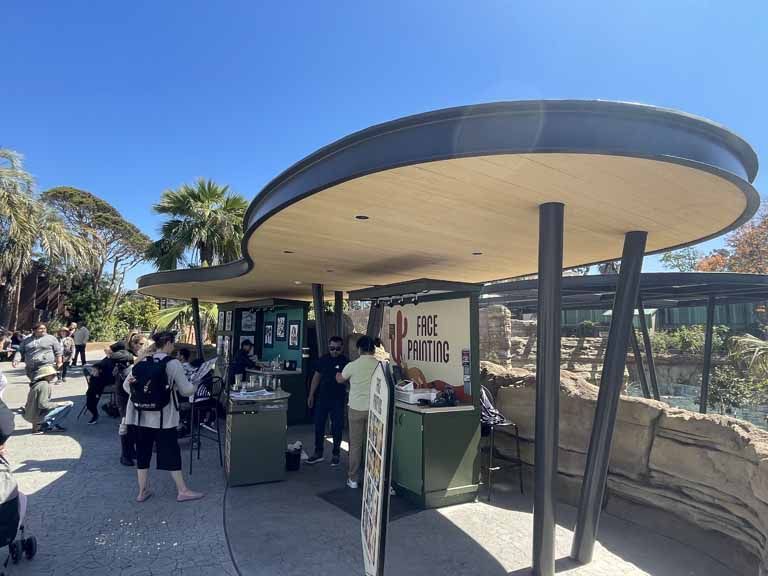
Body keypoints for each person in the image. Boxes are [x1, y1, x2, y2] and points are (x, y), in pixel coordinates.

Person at [123, 331, 203, 503]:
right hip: (163, 417)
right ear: (167, 343)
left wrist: (144, 396)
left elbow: (126, 386)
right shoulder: (173, 364)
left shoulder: (142, 361)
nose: (173, 347)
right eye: (173, 343)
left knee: (143, 452)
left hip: (139, 416)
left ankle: (142, 491)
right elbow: (186, 390)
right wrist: (196, 384)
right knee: (171, 452)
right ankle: (182, 490)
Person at [336, 336, 378, 488]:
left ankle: (353, 479)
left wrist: (337, 375)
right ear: (373, 349)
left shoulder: (352, 365)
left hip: (355, 409)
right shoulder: (380, 365)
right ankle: (374, 478)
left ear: (359, 349)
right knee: (373, 445)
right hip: (374, 410)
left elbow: (341, 379)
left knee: (355, 445)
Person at [306, 336, 348, 466]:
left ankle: (336, 453)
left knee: (337, 427)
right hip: (322, 398)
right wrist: (311, 394)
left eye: (337, 348)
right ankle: (318, 452)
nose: (334, 351)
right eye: (332, 348)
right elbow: (316, 377)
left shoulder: (345, 362)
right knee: (319, 425)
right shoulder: (323, 359)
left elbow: (351, 380)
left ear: (342, 348)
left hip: (338, 399)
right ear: (328, 347)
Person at [112, 332, 148, 466]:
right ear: (133, 344)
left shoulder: (141, 356)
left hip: (133, 396)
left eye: (145, 344)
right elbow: (113, 355)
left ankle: (131, 451)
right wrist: (134, 359)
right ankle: (125, 455)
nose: (144, 347)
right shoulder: (126, 354)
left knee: (133, 425)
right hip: (123, 396)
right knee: (126, 425)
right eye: (141, 344)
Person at [23, 365, 73, 432]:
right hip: (36, 417)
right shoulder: (44, 385)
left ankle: (40, 425)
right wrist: (60, 404)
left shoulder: (37, 384)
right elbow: (43, 404)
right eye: (52, 375)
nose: (54, 376)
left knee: (54, 406)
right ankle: (50, 426)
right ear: (45, 376)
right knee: (69, 404)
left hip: (30, 415)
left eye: (54, 374)